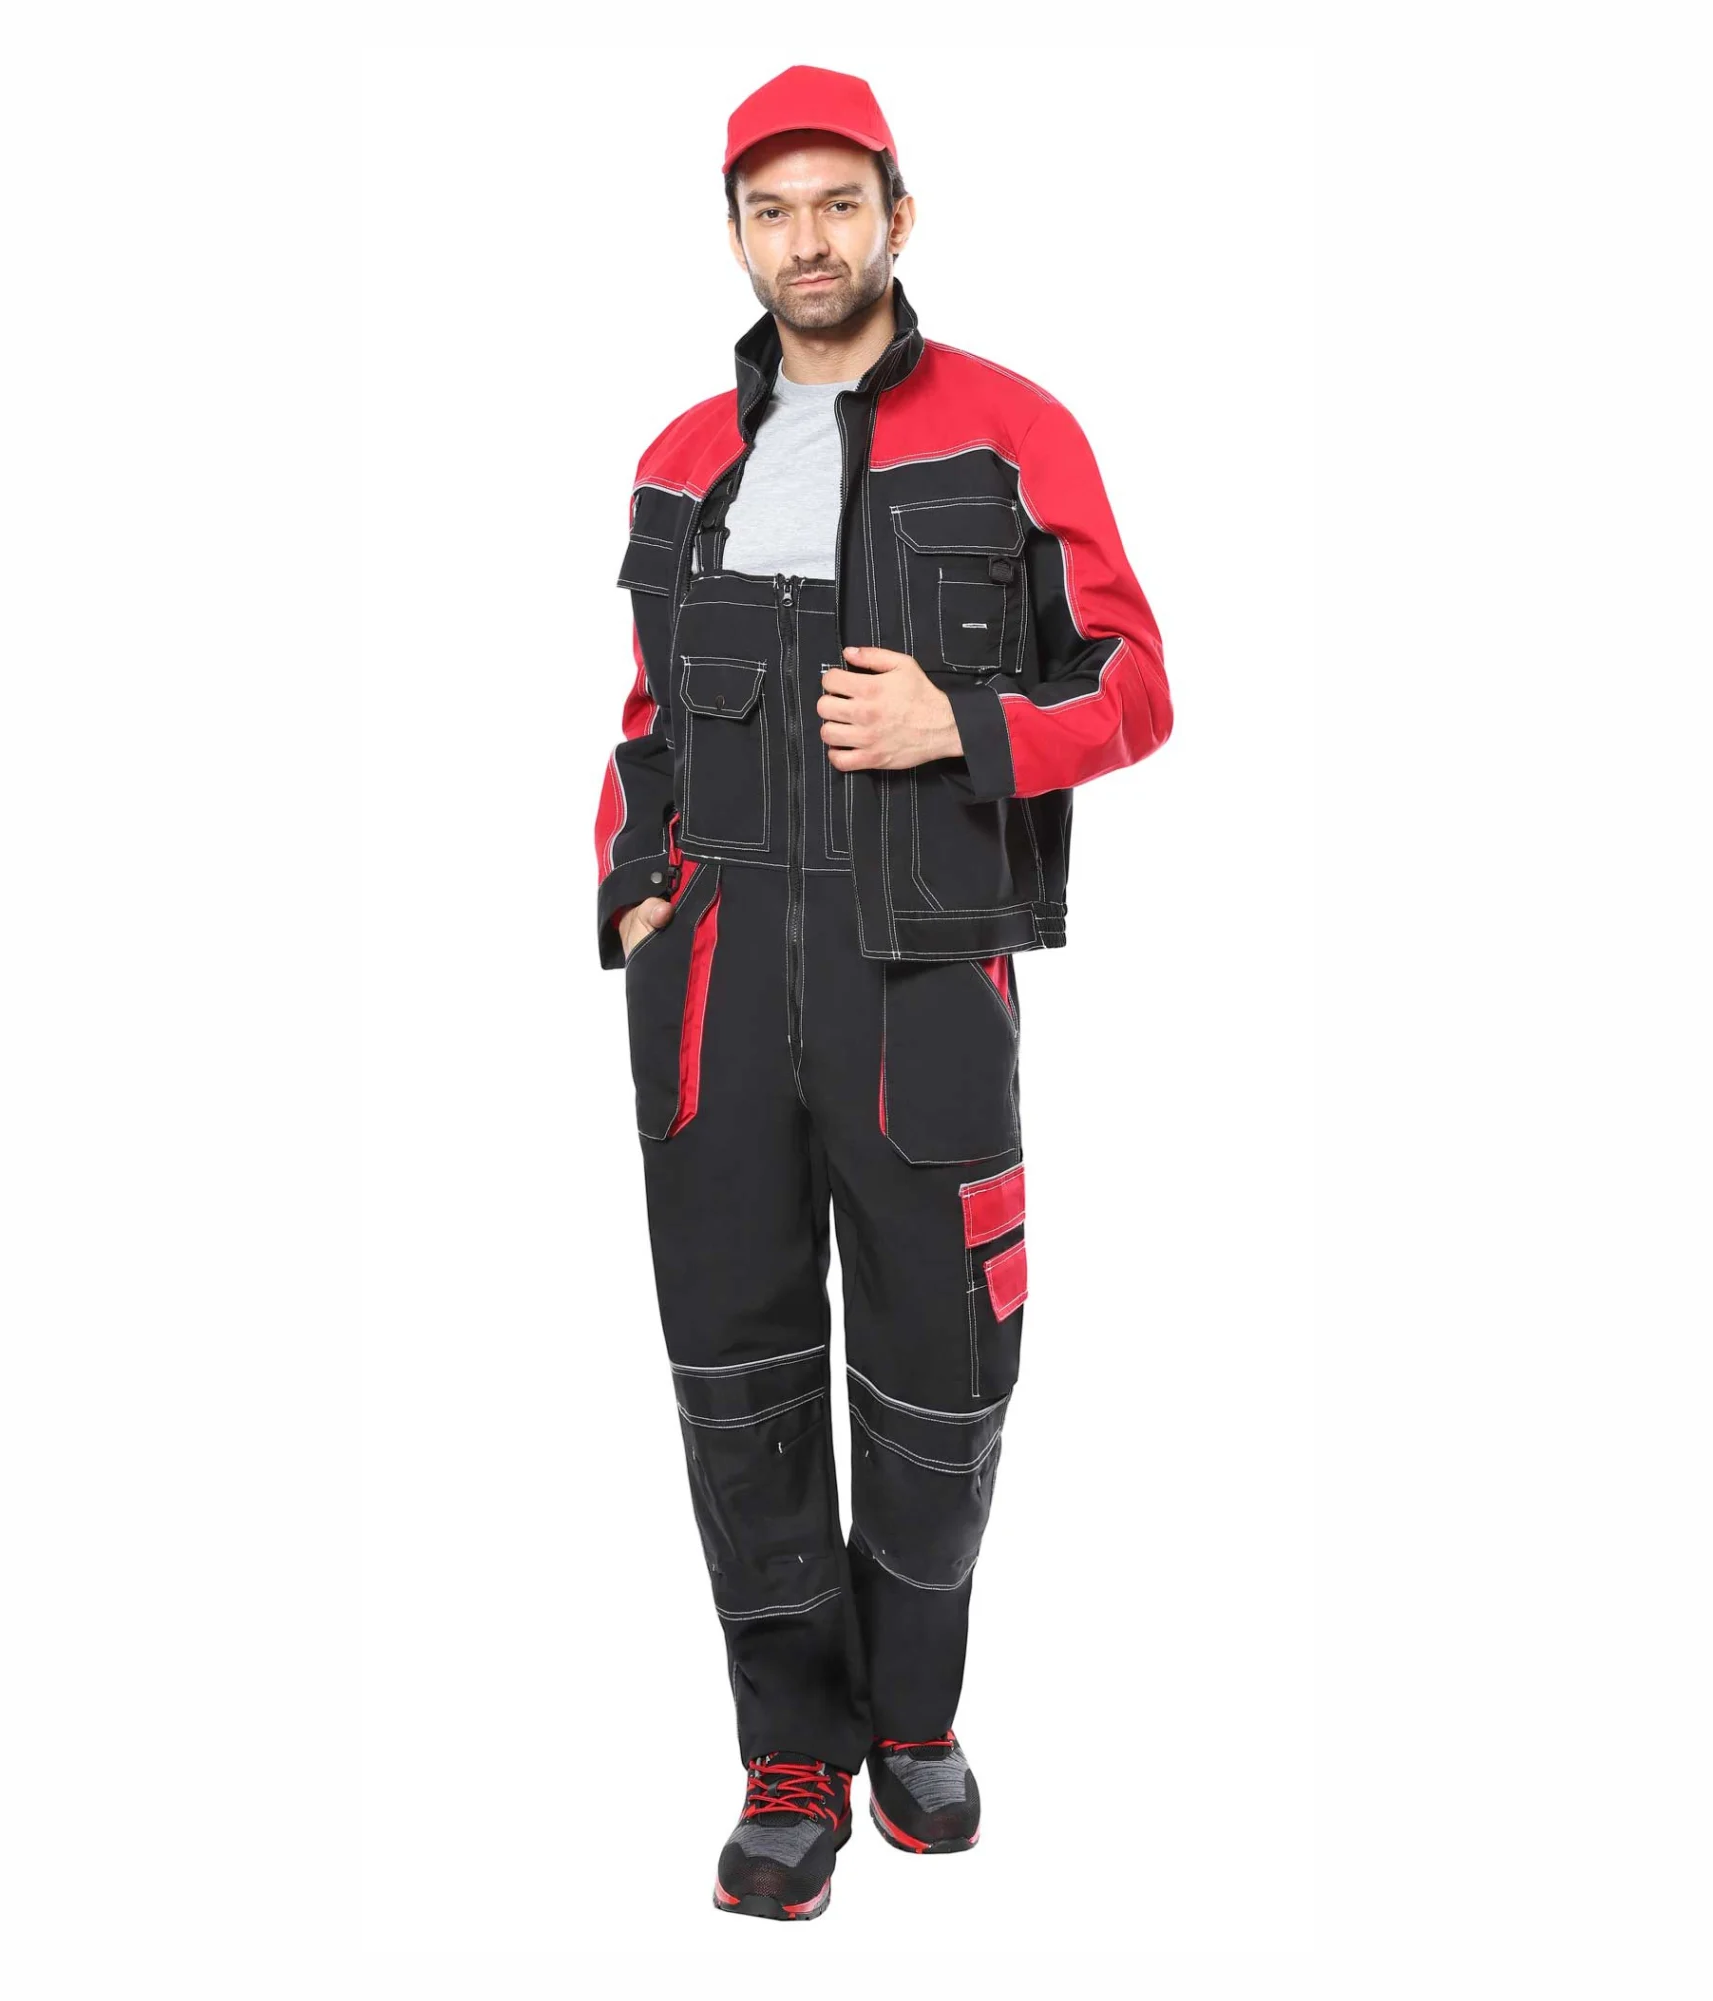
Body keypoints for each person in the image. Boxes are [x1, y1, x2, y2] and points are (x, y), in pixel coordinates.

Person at [592, 63, 1173, 1921]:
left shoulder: (1011, 430)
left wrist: (966, 726)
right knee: (737, 1372)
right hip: (711, 975)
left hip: (921, 972)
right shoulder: (680, 456)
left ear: (896, 217)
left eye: (838, 203)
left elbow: (1136, 685)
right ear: (736, 236)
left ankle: (911, 1717)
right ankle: (789, 1756)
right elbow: (645, 721)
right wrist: (629, 888)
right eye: (772, 210)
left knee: (942, 1365)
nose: (808, 239)